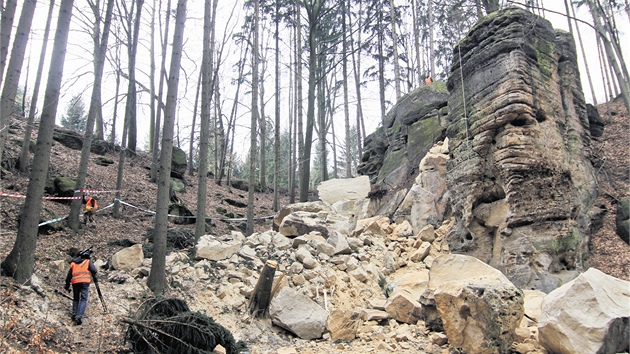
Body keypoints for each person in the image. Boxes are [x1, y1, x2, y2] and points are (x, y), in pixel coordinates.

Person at [64, 247, 98, 325]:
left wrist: (67, 284)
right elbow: (94, 270)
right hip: (85, 282)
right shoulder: (87, 261)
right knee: (83, 299)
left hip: (75, 282)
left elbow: (69, 275)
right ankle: (79, 316)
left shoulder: (73, 263)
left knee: (76, 299)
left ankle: (74, 314)